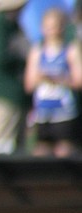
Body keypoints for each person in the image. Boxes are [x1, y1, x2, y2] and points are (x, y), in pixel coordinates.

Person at [25, 5, 82, 155]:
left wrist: (58, 79)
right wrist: (41, 78)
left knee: (64, 152)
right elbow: (29, 84)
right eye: (48, 27)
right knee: (40, 152)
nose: (52, 31)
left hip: (64, 112)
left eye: (55, 27)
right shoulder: (37, 52)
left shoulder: (70, 50)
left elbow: (78, 80)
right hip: (43, 112)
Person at [0, 0, 31, 154]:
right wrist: (23, 61)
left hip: (17, 96)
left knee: (17, 151)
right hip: (3, 97)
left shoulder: (14, 26)